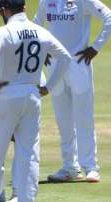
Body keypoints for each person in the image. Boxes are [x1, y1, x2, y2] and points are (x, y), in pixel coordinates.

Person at [0, 0, 72, 201]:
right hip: (32, 96)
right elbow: (65, 57)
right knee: (29, 155)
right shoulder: (41, 31)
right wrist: (49, 87)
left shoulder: (3, 32)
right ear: (25, 8)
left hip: (6, 95)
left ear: (4, 10)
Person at [34, 0, 111, 183]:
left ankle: (90, 167)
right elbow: (36, 26)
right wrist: (41, 51)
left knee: (83, 116)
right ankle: (70, 167)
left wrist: (96, 47)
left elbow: (109, 17)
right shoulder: (46, 1)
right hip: (54, 64)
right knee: (63, 118)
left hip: (79, 62)